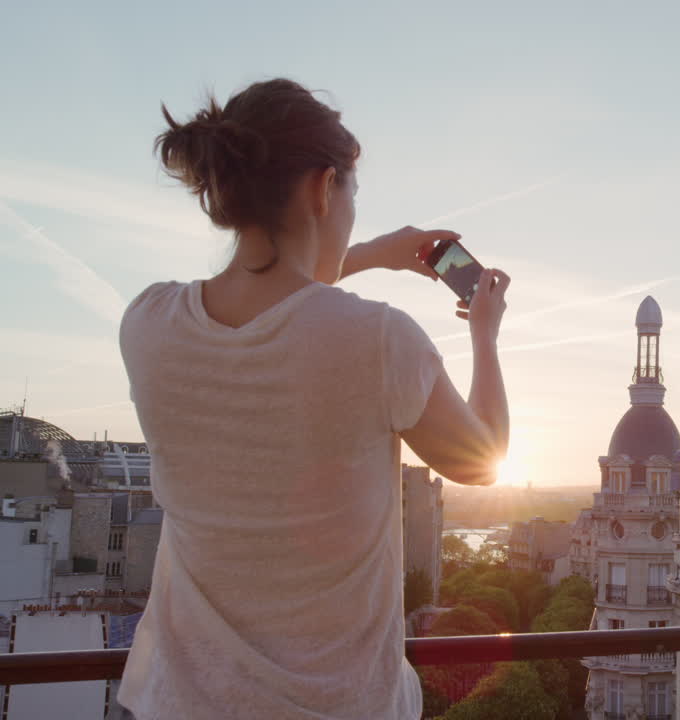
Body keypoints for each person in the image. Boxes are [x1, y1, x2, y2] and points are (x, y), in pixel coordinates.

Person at [116, 78, 510, 719]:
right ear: (324, 188)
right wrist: (485, 336)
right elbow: (484, 457)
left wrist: (367, 254)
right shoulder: (380, 339)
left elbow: (284, 302)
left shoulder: (148, 322)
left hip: (181, 703)